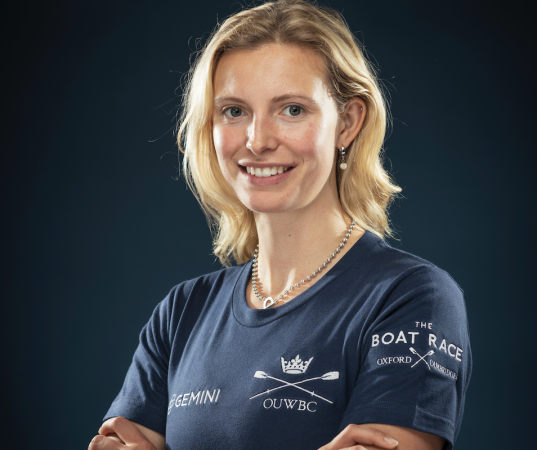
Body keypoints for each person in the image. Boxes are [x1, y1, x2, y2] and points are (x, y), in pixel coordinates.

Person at [89, 1, 471, 449]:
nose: (258, 141)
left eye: (291, 109)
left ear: (348, 122)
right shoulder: (181, 314)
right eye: (234, 111)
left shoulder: (411, 298)